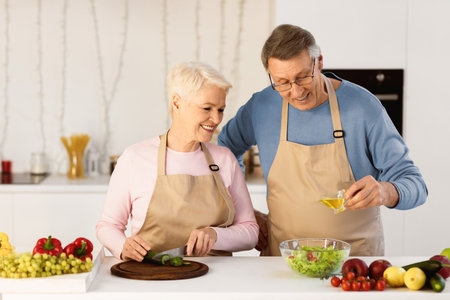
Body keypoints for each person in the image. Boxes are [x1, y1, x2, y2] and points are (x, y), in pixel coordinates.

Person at [218, 24, 427, 256]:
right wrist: (245, 212)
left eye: (302, 77)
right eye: (282, 82)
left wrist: (386, 191)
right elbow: (222, 153)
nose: (296, 92)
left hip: (354, 264)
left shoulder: (363, 107)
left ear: (319, 62)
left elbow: (416, 185)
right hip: (282, 261)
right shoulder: (262, 106)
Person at [97, 61, 259, 261]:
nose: (216, 119)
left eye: (220, 109)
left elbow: (250, 231)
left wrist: (216, 235)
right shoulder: (134, 158)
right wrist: (122, 246)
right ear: (177, 103)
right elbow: (108, 226)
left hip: (216, 281)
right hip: (151, 278)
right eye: (207, 108)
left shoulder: (225, 159)